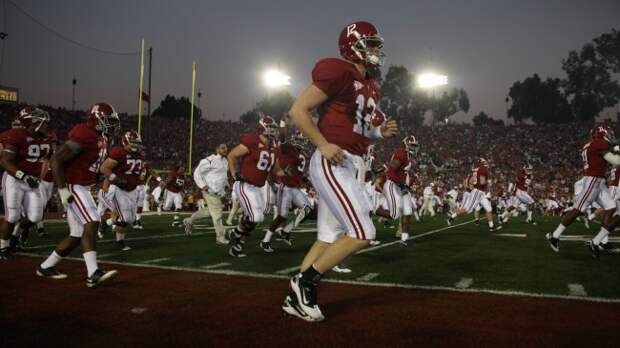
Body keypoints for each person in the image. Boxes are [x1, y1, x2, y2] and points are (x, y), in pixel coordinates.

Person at [282, 21, 397, 322]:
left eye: (376, 44)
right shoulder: (339, 70)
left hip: (351, 160)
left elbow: (360, 133)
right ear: (352, 45)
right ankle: (305, 283)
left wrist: (378, 133)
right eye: (370, 43)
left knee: (327, 238)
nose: (375, 50)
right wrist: (321, 144)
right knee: (362, 232)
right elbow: (298, 110)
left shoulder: (371, 83)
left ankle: (296, 294)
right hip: (334, 161)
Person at [37, 102, 119, 287]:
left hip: (83, 184)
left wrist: (97, 176)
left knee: (76, 234)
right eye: (108, 120)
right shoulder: (84, 132)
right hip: (74, 186)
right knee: (92, 221)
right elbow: (56, 159)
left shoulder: (101, 137)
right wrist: (63, 189)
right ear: (96, 118)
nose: (111, 125)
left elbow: (88, 164)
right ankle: (93, 273)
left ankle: (46, 267)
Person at [547, 125, 618, 256]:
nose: (611, 135)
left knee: (611, 207)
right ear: (601, 133)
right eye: (608, 133)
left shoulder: (590, 144)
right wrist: (617, 150)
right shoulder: (599, 143)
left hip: (599, 181)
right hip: (593, 180)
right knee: (578, 209)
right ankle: (554, 236)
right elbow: (615, 160)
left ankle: (597, 242)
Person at [227, 115, 283, 257]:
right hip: (245, 185)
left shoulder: (273, 148)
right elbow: (232, 155)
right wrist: (234, 174)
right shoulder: (252, 140)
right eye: (270, 127)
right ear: (262, 127)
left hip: (258, 187)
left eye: (273, 128)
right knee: (256, 217)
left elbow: (276, 170)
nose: (272, 130)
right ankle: (236, 233)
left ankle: (238, 245)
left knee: (256, 218)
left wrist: (292, 175)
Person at [0, 107, 52, 259]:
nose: (46, 125)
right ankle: (3, 247)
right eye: (43, 122)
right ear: (32, 122)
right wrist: (22, 176)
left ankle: (15, 236)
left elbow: (46, 160)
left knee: (35, 216)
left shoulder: (46, 138)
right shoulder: (17, 135)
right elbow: (4, 161)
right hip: (14, 179)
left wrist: (40, 179)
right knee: (12, 216)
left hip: (33, 181)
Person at [262, 131, 312, 251]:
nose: (302, 143)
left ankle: (286, 230)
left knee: (308, 209)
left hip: (295, 188)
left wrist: (306, 180)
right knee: (281, 216)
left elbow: (298, 173)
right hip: (285, 187)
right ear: (294, 140)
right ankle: (265, 240)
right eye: (299, 140)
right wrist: (283, 124)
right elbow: (282, 139)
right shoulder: (288, 149)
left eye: (303, 140)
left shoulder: (302, 155)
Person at [98, 130, 146, 251]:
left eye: (137, 143)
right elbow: (104, 168)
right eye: (133, 142)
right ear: (125, 141)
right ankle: (119, 242)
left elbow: (136, 172)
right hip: (118, 189)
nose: (135, 145)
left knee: (129, 219)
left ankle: (106, 223)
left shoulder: (140, 155)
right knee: (124, 218)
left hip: (132, 189)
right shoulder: (118, 152)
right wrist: (116, 180)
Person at [184, 143, 229, 244]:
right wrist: (202, 185)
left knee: (210, 212)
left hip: (218, 191)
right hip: (210, 191)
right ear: (217, 149)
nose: (225, 150)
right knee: (217, 214)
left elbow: (223, 176)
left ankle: (189, 221)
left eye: (226, 148)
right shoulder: (210, 160)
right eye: (222, 148)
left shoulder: (225, 161)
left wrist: (226, 186)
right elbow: (197, 172)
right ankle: (220, 237)